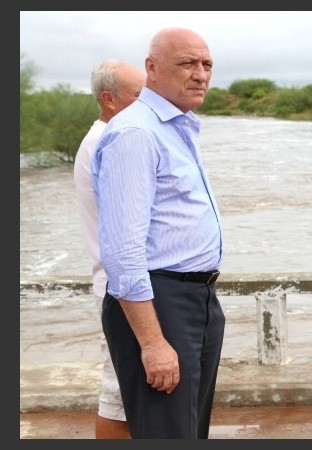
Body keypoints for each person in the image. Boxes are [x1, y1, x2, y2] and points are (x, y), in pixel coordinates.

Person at [91, 27, 225, 439]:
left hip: (197, 297)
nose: (201, 74)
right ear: (152, 68)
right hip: (160, 302)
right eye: (187, 63)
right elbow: (123, 251)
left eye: (207, 64)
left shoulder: (177, 126)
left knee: (188, 431)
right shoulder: (136, 133)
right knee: (167, 434)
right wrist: (152, 342)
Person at [74, 59, 145, 439]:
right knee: (119, 396)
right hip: (121, 287)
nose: (147, 103)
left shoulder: (105, 138)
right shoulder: (107, 142)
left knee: (125, 392)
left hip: (119, 283)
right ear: (109, 99)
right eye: (139, 95)